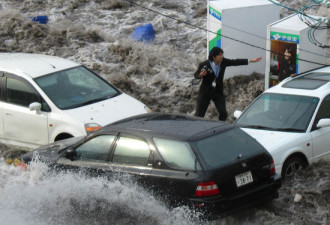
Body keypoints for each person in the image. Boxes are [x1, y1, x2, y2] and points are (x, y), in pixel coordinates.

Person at [194, 47, 261, 121]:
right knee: (199, 115)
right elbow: (196, 75)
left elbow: (235, 62)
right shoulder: (204, 64)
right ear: (214, 57)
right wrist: (201, 75)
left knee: (223, 113)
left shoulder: (223, 62)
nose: (222, 56)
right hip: (205, 92)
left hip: (217, 91)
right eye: (220, 55)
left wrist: (251, 61)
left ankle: (218, 127)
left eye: (222, 54)